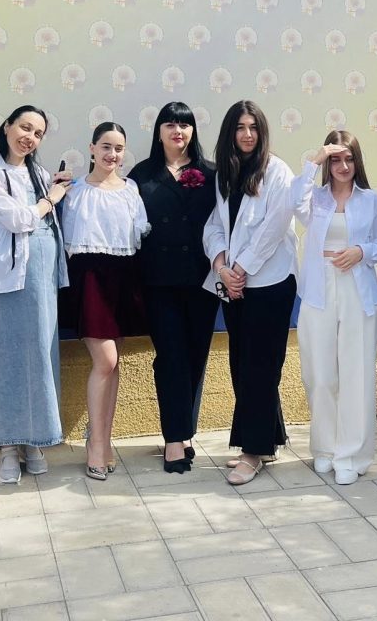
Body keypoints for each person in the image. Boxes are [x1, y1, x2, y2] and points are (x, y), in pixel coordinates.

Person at [0, 106, 71, 484]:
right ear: (7, 127)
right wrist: (51, 199)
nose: (29, 137)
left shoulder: (41, 175)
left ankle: (35, 441)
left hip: (41, 279)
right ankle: (7, 447)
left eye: (38, 133)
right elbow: (16, 219)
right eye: (25, 127)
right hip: (1, 280)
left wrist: (54, 191)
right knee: (3, 360)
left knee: (39, 358)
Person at [203, 100, 298, 486]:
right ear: (230, 133)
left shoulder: (278, 172)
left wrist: (240, 269)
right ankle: (267, 438)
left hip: (270, 283)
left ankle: (252, 452)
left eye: (253, 127)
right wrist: (221, 265)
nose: (247, 134)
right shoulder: (225, 174)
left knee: (261, 367)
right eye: (240, 127)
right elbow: (215, 225)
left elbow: (275, 227)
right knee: (242, 363)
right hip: (235, 284)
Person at [128, 102, 219, 474]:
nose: (177, 130)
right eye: (170, 123)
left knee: (196, 356)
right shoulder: (141, 174)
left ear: (193, 130)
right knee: (170, 357)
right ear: (159, 131)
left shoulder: (212, 173)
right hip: (158, 280)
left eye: (184, 124)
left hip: (202, 280)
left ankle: (185, 432)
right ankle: (173, 439)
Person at [293, 131, 377, 485]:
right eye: (335, 160)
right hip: (319, 291)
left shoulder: (372, 200)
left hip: (358, 290)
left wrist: (362, 252)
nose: (343, 166)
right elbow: (293, 202)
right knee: (319, 375)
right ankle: (325, 448)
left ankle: (352, 454)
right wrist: (314, 160)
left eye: (349, 159)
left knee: (356, 375)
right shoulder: (314, 198)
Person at [61, 122, 149, 481]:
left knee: (114, 365)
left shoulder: (131, 189)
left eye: (119, 148)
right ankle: (96, 444)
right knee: (106, 360)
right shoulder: (74, 190)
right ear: (92, 149)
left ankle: (102, 438)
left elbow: (140, 233)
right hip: (88, 278)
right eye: (106, 147)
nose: (112, 154)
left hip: (123, 276)